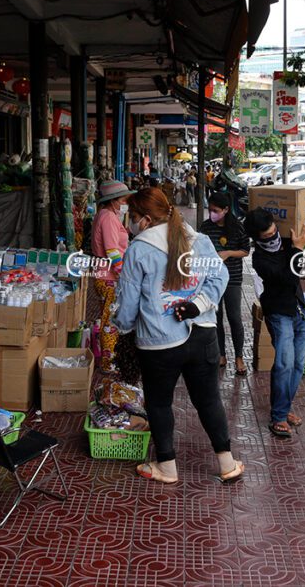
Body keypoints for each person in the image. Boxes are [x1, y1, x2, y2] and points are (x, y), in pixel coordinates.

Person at [114, 187, 244, 484]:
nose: (131, 223)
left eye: (132, 217)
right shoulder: (199, 240)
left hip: (159, 344)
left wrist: (121, 328)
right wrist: (198, 306)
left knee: (159, 404)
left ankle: (167, 468)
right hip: (203, 338)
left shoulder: (139, 249)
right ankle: (227, 464)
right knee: (209, 400)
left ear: (145, 219)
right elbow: (219, 277)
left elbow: (128, 305)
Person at [244, 209, 305, 438]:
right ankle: (279, 417)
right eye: (267, 236)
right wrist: (298, 249)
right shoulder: (260, 259)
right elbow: (289, 277)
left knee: (298, 364)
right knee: (284, 363)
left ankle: (285, 407)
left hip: (299, 309)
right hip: (278, 313)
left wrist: (296, 246)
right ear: (257, 238)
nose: (273, 237)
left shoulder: (286, 241)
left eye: (274, 231)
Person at [200, 192, 250, 375]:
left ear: (226, 210)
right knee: (216, 317)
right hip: (211, 280)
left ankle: (239, 357)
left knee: (235, 318)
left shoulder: (237, 227)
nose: (212, 213)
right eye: (210, 210)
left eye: (215, 210)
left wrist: (228, 253)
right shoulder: (205, 227)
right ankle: (221, 354)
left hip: (233, 279)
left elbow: (246, 250)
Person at [90, 180, 135, 372]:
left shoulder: (106, 215)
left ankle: (107, 358)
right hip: (108, 275)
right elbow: (112, 251)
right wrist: (123, 273)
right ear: (114, 200)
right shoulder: (108, 217)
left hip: (104, 273)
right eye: (124, 199)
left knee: (108, 316)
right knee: (110, 320)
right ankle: (108, 363)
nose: (126, 202)